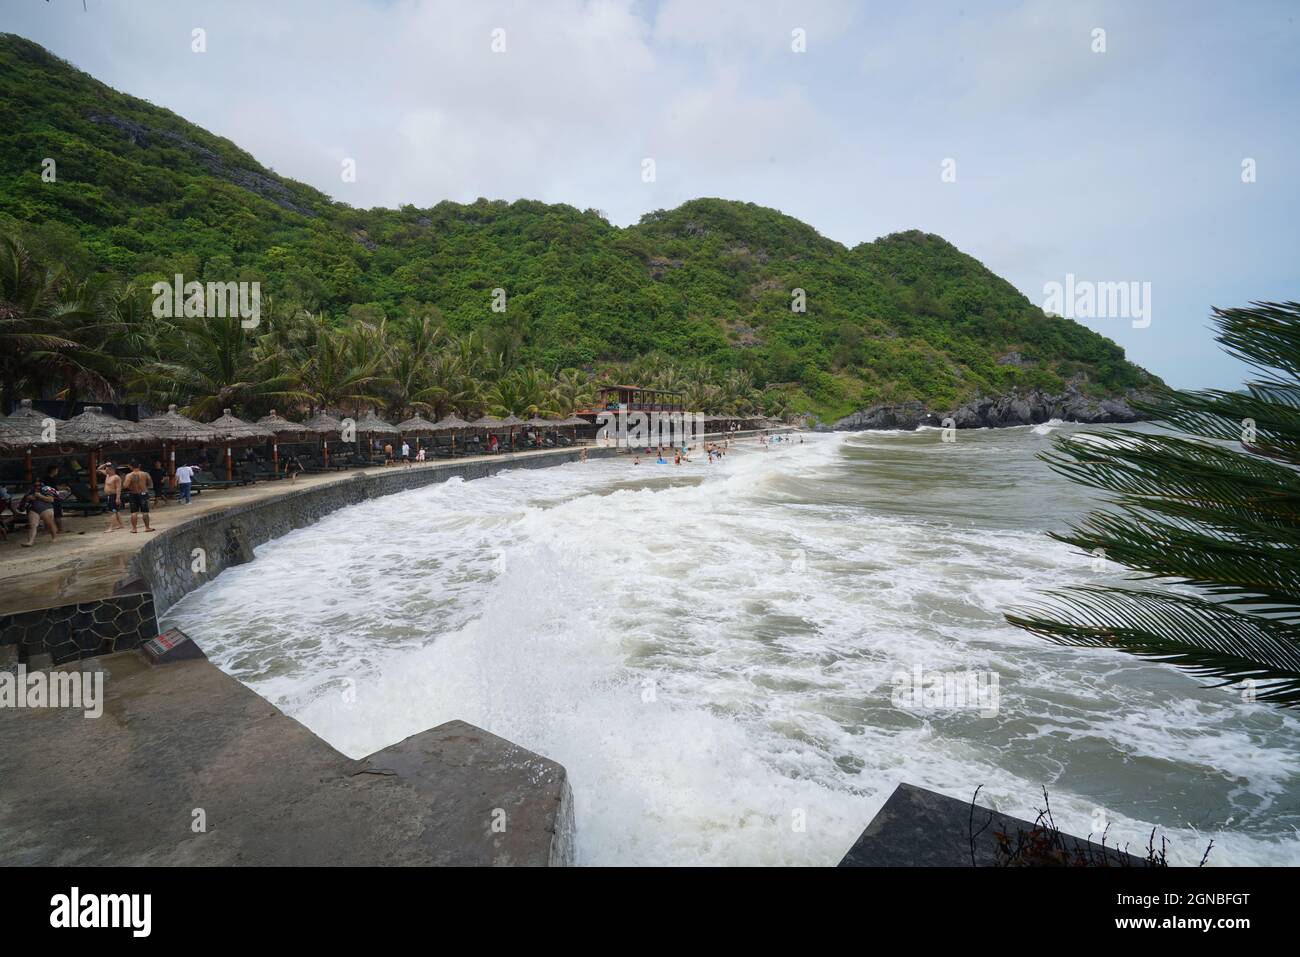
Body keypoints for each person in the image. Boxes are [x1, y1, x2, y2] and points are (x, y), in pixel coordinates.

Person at [19, 480, 59, 547]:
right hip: (33, 509)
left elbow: (51, 499)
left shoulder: (46, 489)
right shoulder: (30, 491)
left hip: (46, 508)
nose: (37, 487)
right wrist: (28, 498)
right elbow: (23, 501)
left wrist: (40, 496)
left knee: (50, 523)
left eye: (39, 485)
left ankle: (54, 537)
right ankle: (30, 541)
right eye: (35, 485)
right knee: (33, 525)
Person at [122, 461, 155, 533]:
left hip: (133, 494)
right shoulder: (145, 474)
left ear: (131, 467)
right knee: (145, 512)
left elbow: (125, 486)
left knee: (134, 512)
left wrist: (129, 484)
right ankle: (147, 527)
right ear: (139, 465)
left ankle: (134, 529)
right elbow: (150, 483)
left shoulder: (129, 475)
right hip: (143, 493)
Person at [99, 463, 125, 531]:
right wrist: (105, 464)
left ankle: (110, 528)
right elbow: (99, 469)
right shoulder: (108, 475)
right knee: (116, 511)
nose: (105, 471)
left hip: (114, 496)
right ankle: (121, 525)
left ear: (112, 470)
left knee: (112, 512)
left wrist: (118, 498)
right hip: (109, 496)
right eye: (106, 470)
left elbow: (118, 488)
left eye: (107, 470)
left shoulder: (116, 477)